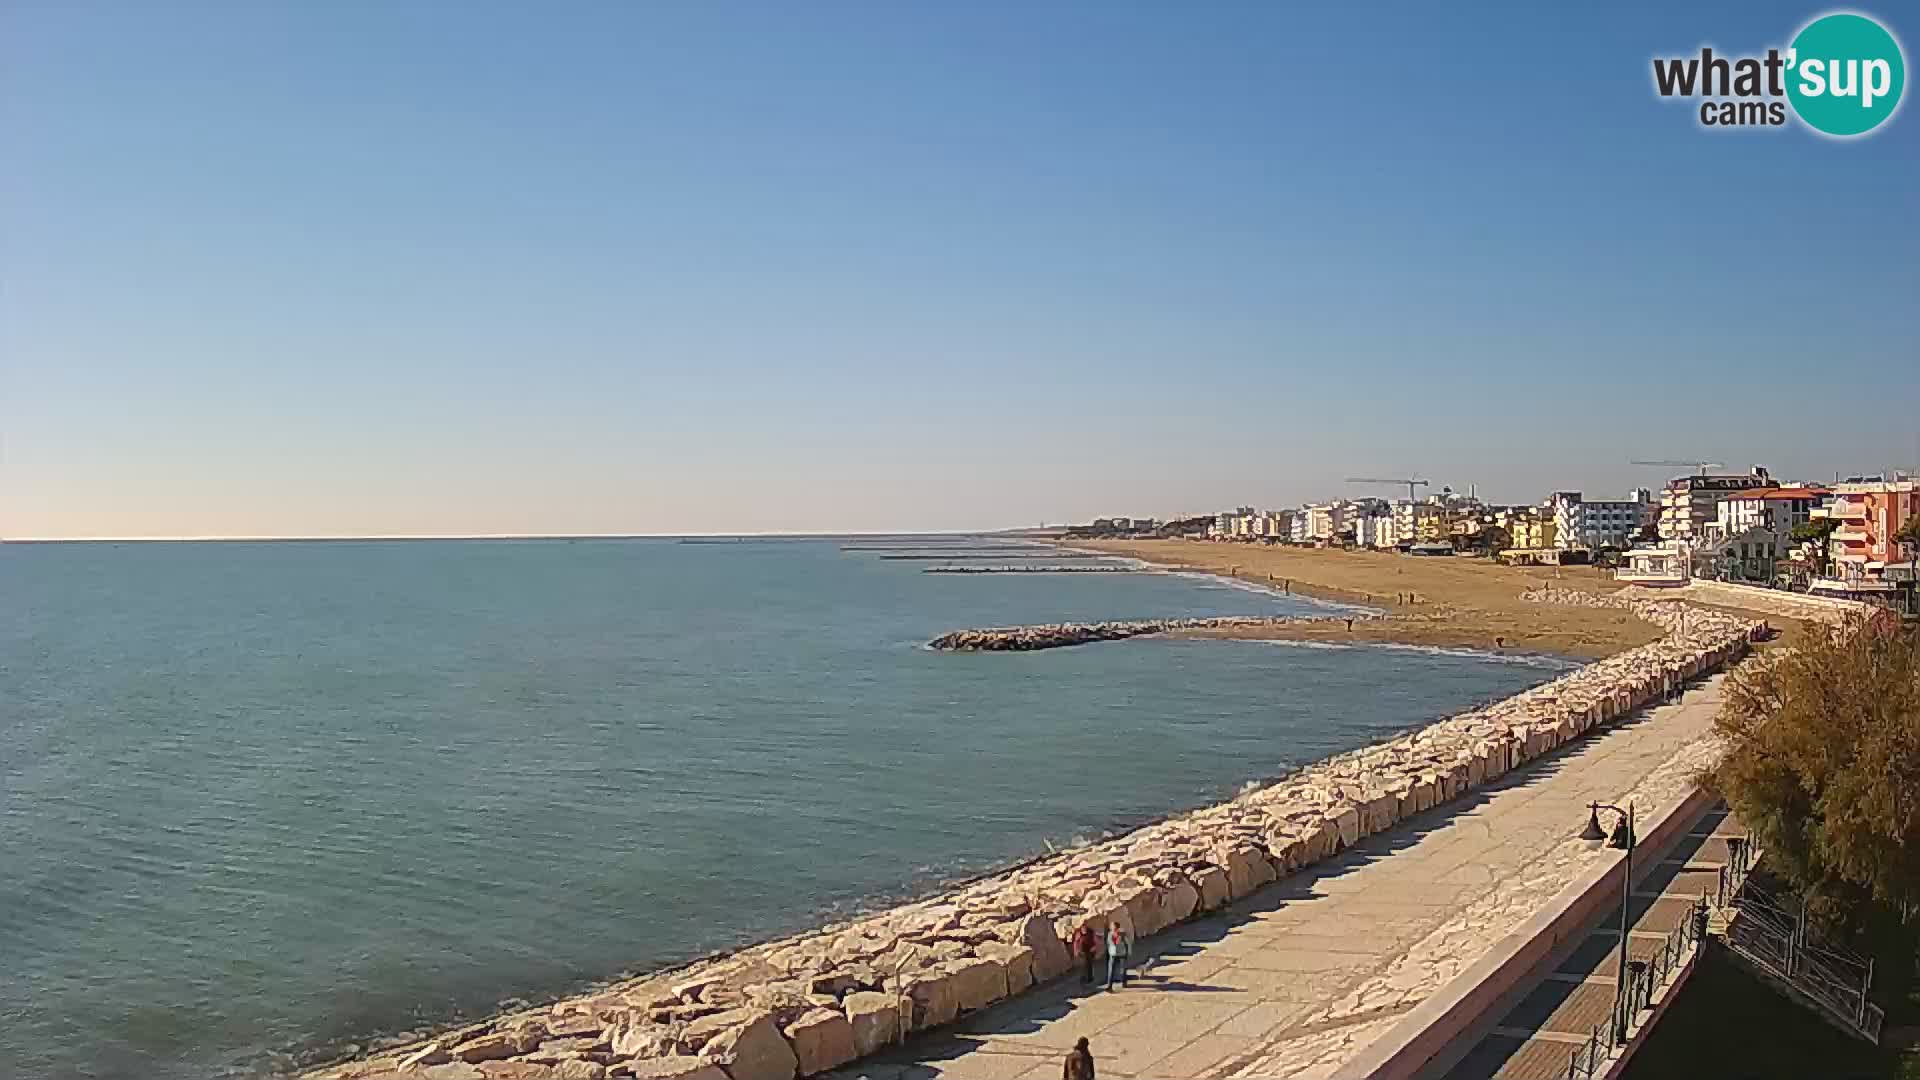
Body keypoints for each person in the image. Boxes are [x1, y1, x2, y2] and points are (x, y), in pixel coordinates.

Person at [1105, 922, 1132, 989]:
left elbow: (1128, 943)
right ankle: (1109, 986)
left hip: (1121, 954)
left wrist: (1129, 951)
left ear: (1117, 928)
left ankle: (1124, 983)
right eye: (1111, 926)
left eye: (1112, 926)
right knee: (1111, 970)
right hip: (1113, 954)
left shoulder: (1122, 934)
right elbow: (1108, 943)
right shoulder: (1109, 934)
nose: (1111, 927)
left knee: (1122, 969)